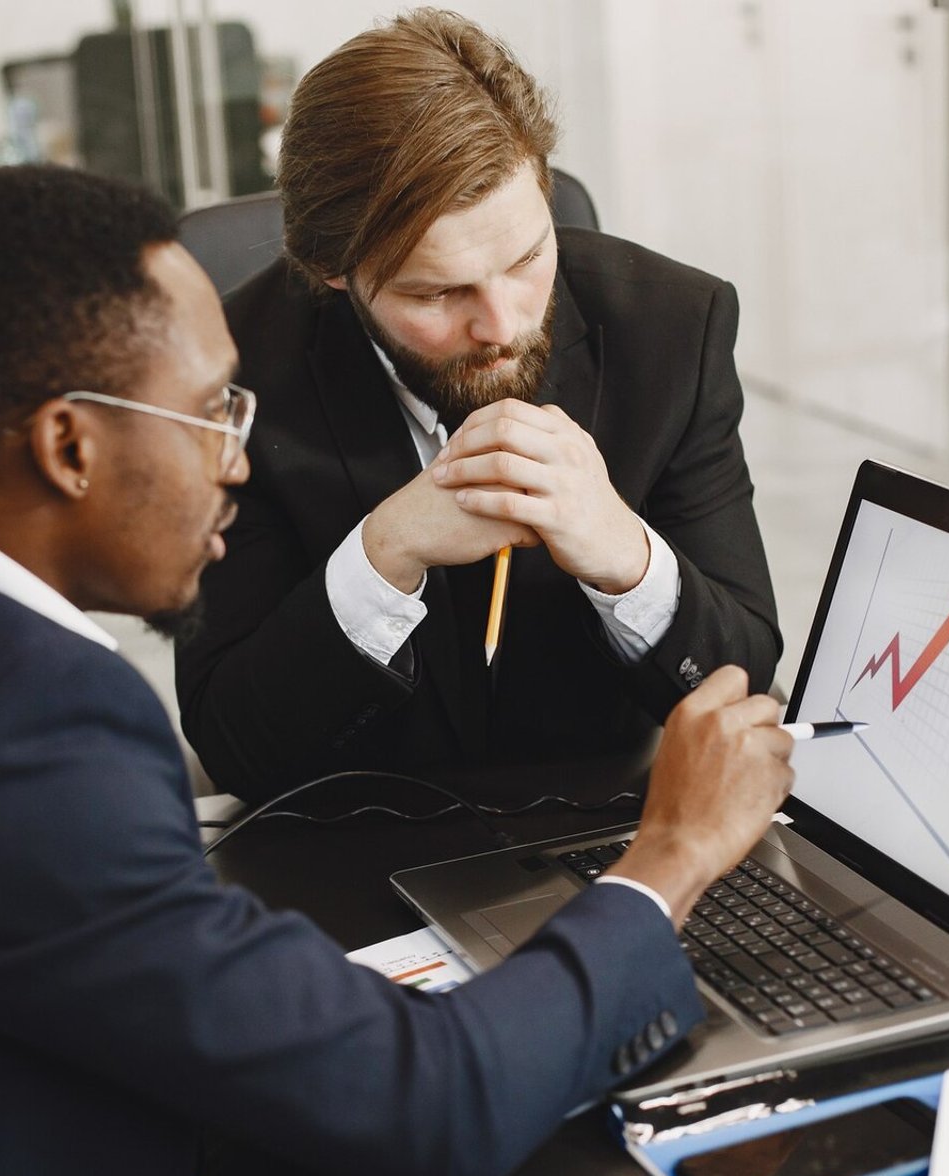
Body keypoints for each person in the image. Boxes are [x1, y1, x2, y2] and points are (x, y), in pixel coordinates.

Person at [0, 165, 794, 1176]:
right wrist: (670, 857)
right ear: (69, 443)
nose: (238, 460)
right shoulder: (20, 730)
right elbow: (438, 1106)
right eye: (207, 413)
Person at [174, 9, 781, 802]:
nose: (503, 325)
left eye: (528, 257)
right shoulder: (232, 371)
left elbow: (743, 688)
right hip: (342, 846)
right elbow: (236, 746)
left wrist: (624, 554)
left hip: (603, 823)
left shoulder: (671, 328)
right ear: (332, 270)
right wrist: (382, 555)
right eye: (438, 292)